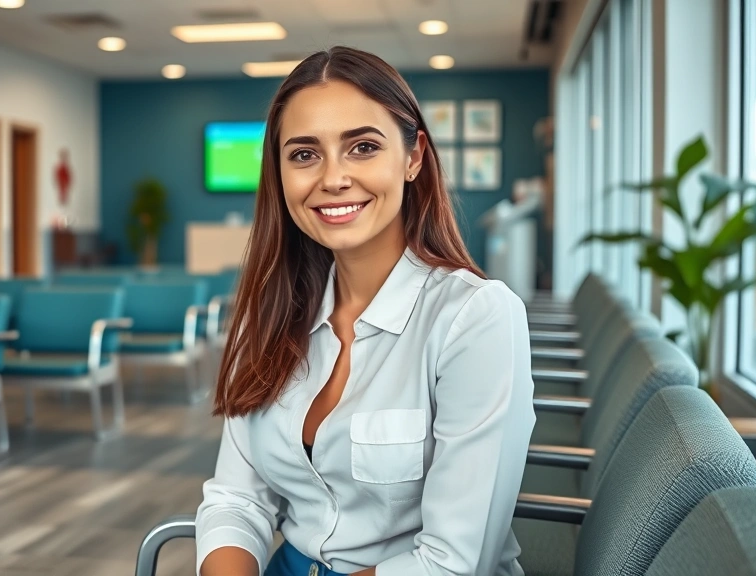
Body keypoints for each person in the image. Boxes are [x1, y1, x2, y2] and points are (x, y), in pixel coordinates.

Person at [195, 46, 536, 576]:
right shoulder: (268, 313)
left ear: (413, 157)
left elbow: (452, 563)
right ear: (280, 173)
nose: (332, 178)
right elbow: (238, 500)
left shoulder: (475, 319)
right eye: (304, 154)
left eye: (362, 147)